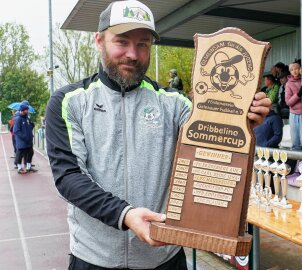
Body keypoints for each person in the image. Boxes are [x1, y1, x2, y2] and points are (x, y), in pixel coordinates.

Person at [45, 1, 271, 269]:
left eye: (143, 44)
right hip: (94, 259)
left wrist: (241, 120)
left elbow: (213, 144)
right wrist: (125, 214)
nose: (132, 54)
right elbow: (69, 177)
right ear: (99, 40)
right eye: (122, 41)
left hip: (164, 259)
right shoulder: (68, 101)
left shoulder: (174, 103)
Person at [285, 62, 302, 151]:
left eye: (296, 68)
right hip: (294, 114)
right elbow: (288, 102)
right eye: (292, 70)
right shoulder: (288, 84)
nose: (294, 71)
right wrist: (298, 94)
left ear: (300, 69)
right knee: (296, 141)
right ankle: (296, 163)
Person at [13, 104, 36, 174]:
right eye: (27, 110)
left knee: (30, 153)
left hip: (28, 140)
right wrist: (24, 137)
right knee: (20, 154)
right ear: (23, 110)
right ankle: (19, 168)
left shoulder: (27, 118)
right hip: (22, 141)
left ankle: (28, 167)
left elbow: (29, 127)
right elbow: (16, 130)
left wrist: (32, 125)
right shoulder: (18, 119)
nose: (28, 111)